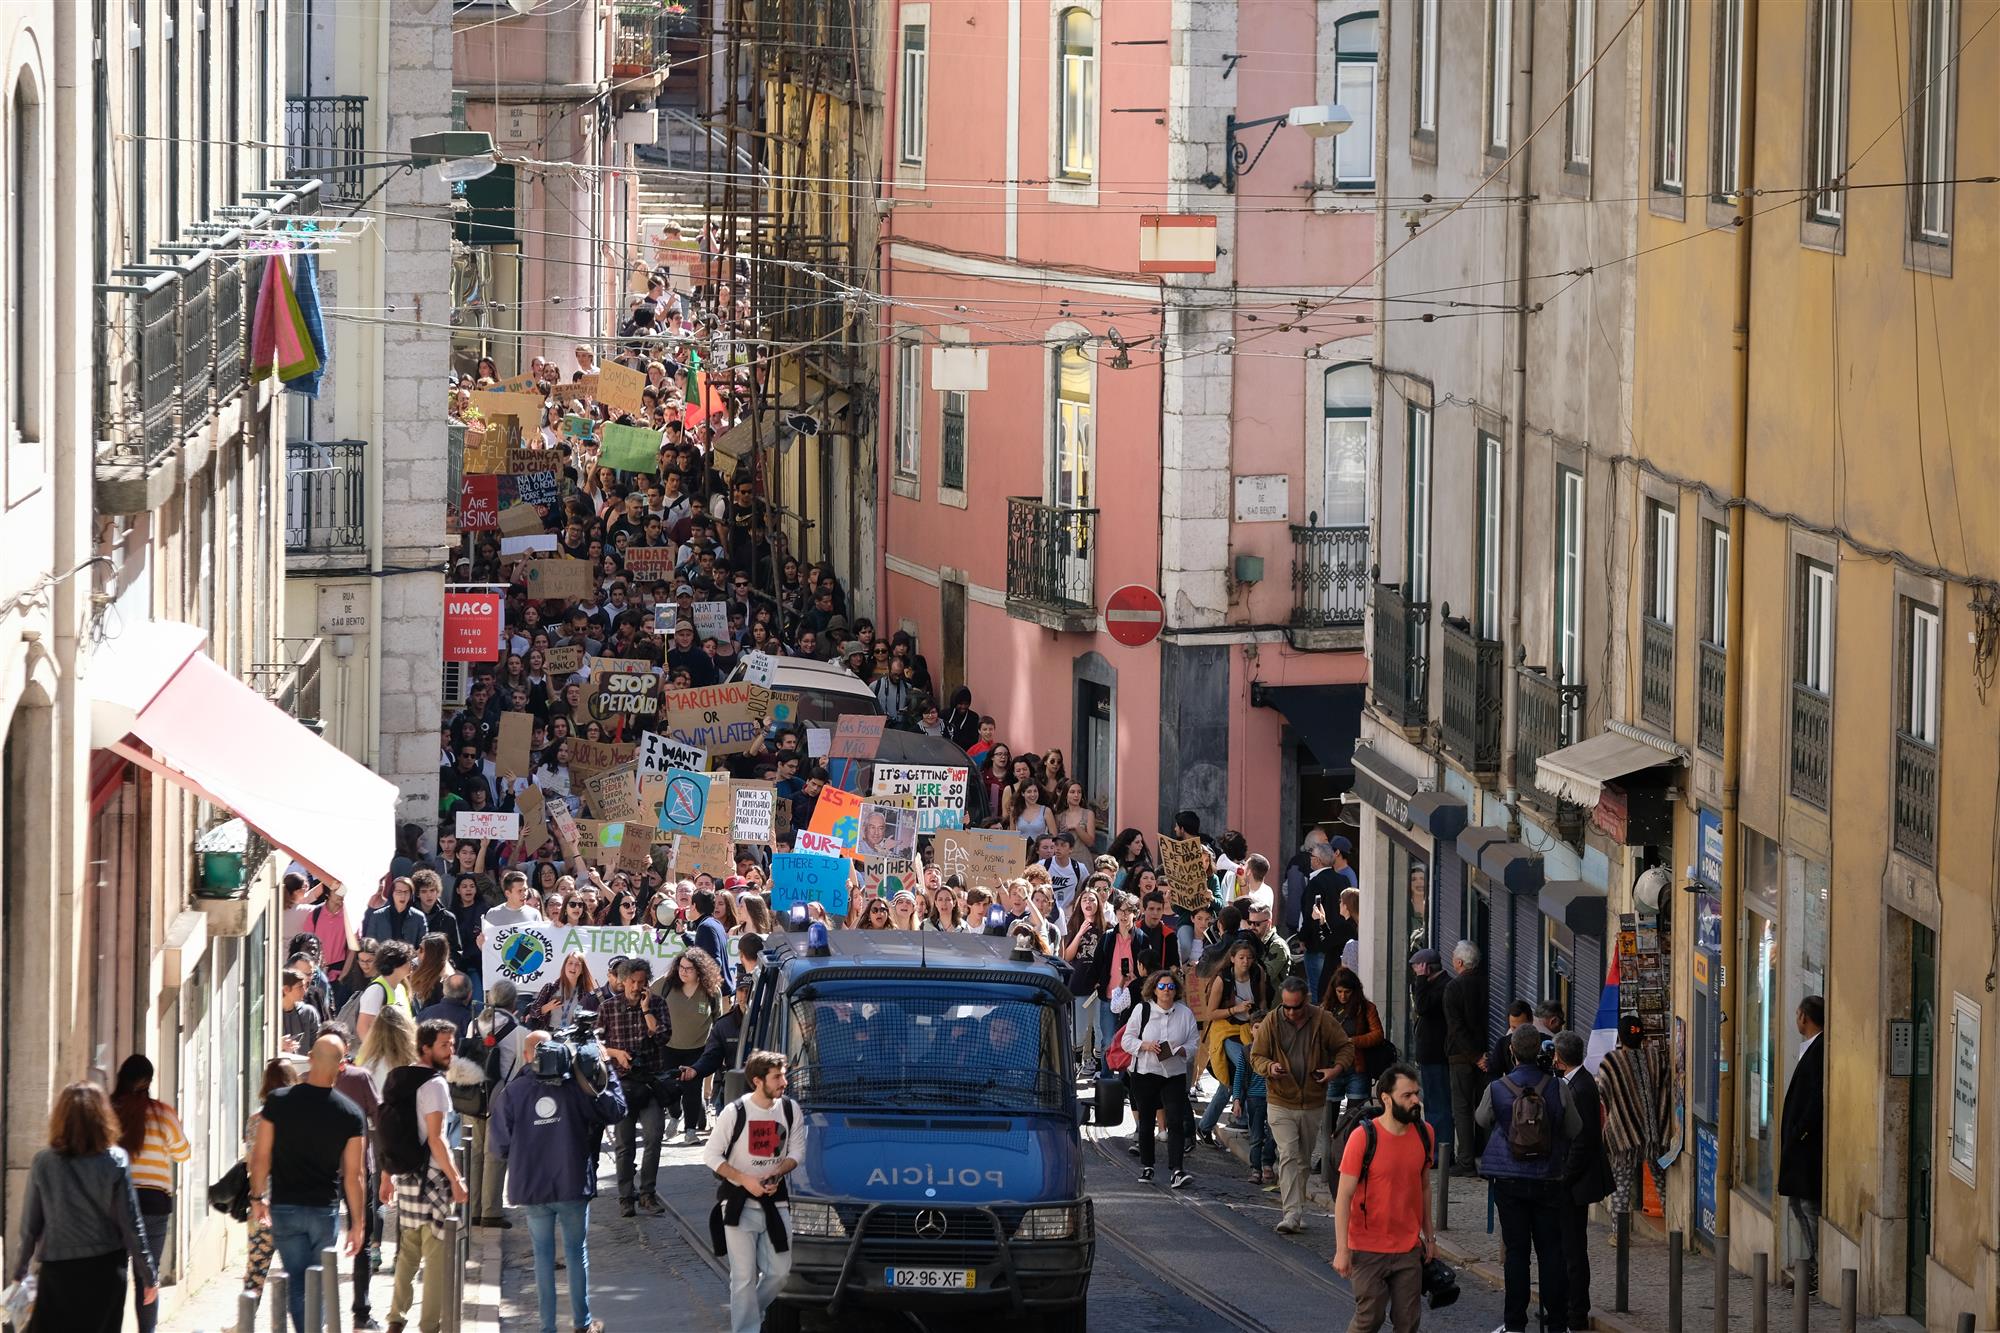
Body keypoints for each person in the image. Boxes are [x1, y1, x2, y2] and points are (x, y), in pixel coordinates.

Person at [491, 1031, 627, 1333]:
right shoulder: (575, 1088)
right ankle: (582, 1323)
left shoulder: (513, 1092)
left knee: (543, 1257)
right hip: (572, 1183)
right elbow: (616, 1110)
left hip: (533, 1187)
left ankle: (548, 1327)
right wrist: (606, 1068)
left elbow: (499, 1147)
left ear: (527, 1056)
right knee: (576, 1253)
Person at [9, 1081, 158, 1333]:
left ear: (60, 1117)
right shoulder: (115, 1160)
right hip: (106, 1271)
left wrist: (19, 1272)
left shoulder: (43, 1163)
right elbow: (131, 1224)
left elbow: (29, 1228)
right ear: (103, 1116)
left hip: (58, 1273)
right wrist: (148, 1275)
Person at [252, 1035, 368, 1333]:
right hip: (323, 1209)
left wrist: (256, 1197)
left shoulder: (278, 1102)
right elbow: (355, 1175)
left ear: (311, 1058)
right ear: (342, 1067)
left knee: (297, 1282)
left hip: (285, 1208)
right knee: (320, 1280)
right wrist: (358, 1223)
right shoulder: (351, 1114)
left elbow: (261, 1155)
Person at [1475, 1024, 1584, 1333]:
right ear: (1540, 1050)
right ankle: (1557, 1323)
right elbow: (1575, 1128)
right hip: (1548, 1179)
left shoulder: (1497, 1087)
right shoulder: (1557, 1087)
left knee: (1517, 1253)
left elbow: (1481, 1119)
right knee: (1551, 1251)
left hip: (1509, 1181)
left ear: (1511, 1052)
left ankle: (1514, 1324)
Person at [703, 1050, 806, 1333]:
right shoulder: (735, 1112)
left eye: (783, 1075)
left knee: (779, 1273)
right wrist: (744, 1179)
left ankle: (747, 1313)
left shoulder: (789, 1109)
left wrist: (777, 1171)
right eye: (777, 1077)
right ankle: (745, 1327)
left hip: (776, 1200)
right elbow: (711, 1156)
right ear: (758, 1081)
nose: (784, 1082)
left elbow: (797, 1151)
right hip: (738, 1202)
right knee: (744, 1277)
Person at [1331, 1065, 1436, 1333]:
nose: (1416, 1101)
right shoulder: (1363, 1137)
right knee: (1370, 1318)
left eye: (1417, 1094)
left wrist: (1430, 1237)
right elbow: (1344, 1196)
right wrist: (1342, 1249)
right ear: (1386, 1098)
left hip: (1407, 1248)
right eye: (1407, 1095)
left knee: (1408, 1322)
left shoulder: (1425, 1134)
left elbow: (1424, 1187)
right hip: (1367, 1249)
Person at [380, 1019, 469, 1333]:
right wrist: (456, 1180)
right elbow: (436, 1138)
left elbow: (389, 1131)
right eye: (444, 1045)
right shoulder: (434, 1084)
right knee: (436, 1257)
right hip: (432, 1178)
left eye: (452, 1044)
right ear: (426, 1047)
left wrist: (386, 1175)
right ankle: (430, 1325)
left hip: (405, 1176)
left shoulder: (398, 1078)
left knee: (407, 1254)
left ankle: (395, 1318)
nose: (450, 1050)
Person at [1250, 975, 1357, 1234]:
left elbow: (1346, 1047)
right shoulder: (1271, 1022)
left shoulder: (1322, 1020)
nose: (1290, 1012)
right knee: (1288, 1153)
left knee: (1303, 1160)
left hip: (1312, 1101)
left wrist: (1335, 1070)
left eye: (1295, 1007)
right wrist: (1270, 1067)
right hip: (1280, 1099)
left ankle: (1296, 1209)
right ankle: (1291, 1213)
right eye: (1286, 1006)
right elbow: (1256, 1056)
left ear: (1306, 1001)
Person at [107, 1055, 189, 1333]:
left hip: (115, 1203)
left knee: (114, 1274)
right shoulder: (163, 1113)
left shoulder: (107, 1111)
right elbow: (183, 1152)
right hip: (154, 1202)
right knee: (147, 1278)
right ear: (149, 1081)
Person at [1552, 1030, 1614, 1333]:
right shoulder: (1578, 1082)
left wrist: (1564, 1177)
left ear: (1560, 1059)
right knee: (1569, 1249)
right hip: (1575, 1180)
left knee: (1572, 1250)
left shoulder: (1579, 1088)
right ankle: (1568, 1308)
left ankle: (1575, 1313)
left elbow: (1581, 1140)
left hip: (1575, 1183)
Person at [600, 959, 671, 1217]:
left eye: (641, 983)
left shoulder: (657, 1004)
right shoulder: (608, 1008)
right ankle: (625, 1197)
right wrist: (617, 1053)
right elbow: (596, 1046)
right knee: (624, 1143)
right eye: (632, 982)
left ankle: (647, 1194)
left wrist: (646, 1010)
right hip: (622, 1085)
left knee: (654, 1136)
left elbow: (663, 1036)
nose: (636, 987)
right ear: (623, 980)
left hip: (650, 1082)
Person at [1119, 969, 1200, 1189]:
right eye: (1162, 986)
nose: (1166, 991)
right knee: (1146, 1121)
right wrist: (1145, 1046)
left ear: (1176, 990)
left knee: (1175, 1120)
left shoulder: (1185, 1014)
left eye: (1171, 987)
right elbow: (1127, 1040)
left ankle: (1177, 1170)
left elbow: (1194, 1042)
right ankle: (1148, 1166)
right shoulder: (1142, 1010)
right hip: (1145, 1072)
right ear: (1154, 989)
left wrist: (1183, 1050)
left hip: (1173, 1073)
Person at [462, 980, 528, 1229]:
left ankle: (473, 1210)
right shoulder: (519, 1031)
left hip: (474, 1095)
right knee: (495, 1155)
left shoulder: (474, 1023)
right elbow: (523, 1068)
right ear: (513, 1003)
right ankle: (491, 1211)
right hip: (503, 1098)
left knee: (474, 1153)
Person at [1778, 995, 1825, 1295]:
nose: (1796, 1019)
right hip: (1800, 1142)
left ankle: (1818, 1265)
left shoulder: (1819, 1049)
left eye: (1797, 1014)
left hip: (1807, 1145)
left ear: (1804, 1018)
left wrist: (1800, 1131)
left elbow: (1816, 1096)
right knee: (1797, 1201)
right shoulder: (1812, 1047)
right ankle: (1813, 1259)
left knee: (1806, 1204)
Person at [1443, 940, 1487, 1172]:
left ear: (1459, 962)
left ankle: (1466, 1160)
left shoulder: (1454, 987)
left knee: (1461, 1107)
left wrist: (1472, 1056)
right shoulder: (1485, 983)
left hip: (1462, 1057)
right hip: (1484, 1056)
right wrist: (1481, 1056)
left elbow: (1455, 1027)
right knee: (1481, 1106)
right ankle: (1482, 1151)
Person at [1408, 949, 1453, 1162]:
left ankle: (1440, 1153)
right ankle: (1435, 1150)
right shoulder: (1435, 986)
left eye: (1417, 968)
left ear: (1426, 967)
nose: (1414, 972)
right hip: (1430, 1056)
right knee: (1433, 1105)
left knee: (1438, 1106)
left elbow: (1423, 1007)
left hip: (1437, 1056)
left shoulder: (1441, 986)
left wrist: (1421, 980)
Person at [354, 940, 416, 1042]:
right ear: (396, 965)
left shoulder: (400, 988)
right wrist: (378, 1056)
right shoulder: (376, 990)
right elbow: (363, 1028)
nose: (412, 964)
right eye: (409, 960)